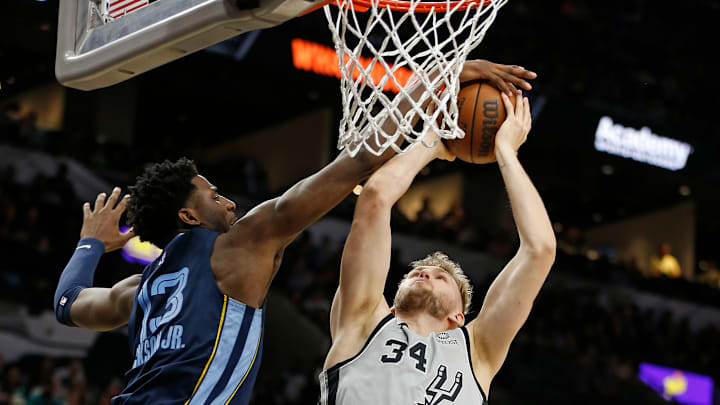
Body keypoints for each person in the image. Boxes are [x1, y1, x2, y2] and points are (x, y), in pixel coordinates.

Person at [53, 61, 537, 405]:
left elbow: (68, 303)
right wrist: (442, 81)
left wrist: (90, 242)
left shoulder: (138, 290)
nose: (228, 200)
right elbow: (362, 164)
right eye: (212, 194)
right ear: (188, 217)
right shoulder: (240, 243)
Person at [319, 90, 555, 404]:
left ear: (459, 316)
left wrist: (506, 152)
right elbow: (375, 198)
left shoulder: (478, 350)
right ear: (392, 305)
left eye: (440, 278)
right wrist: (433, 140)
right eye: (418, 273)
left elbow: (540, 249)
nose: (426, 274)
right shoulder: (363, 320)